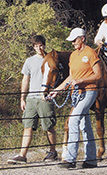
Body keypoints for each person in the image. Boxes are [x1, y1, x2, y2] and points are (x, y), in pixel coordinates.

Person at [48, 28, 101, 169]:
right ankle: (91, 159)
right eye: (71, 41)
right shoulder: (73, 56)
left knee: (73, 120)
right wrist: (57, 90)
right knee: (85, 125)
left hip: (89, 91)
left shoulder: (90, 53)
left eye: (74, 40)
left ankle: (70, 159)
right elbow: (71, 77)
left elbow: (98, 75)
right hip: (76, 93)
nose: (72, 43)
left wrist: (81, 81)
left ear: (82, 38)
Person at [7, 35, 57, 164]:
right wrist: (22, 98)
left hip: (45, 98)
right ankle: (22, 155)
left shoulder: (50, 59)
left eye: (40, 45)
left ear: (44, 45)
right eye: (36, 46)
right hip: (31, 98)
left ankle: (53, 151)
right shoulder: (29, 61)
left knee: (48, 126)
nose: (38, 48)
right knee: (27, 126)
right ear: (33, 47)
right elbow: (25, 80)